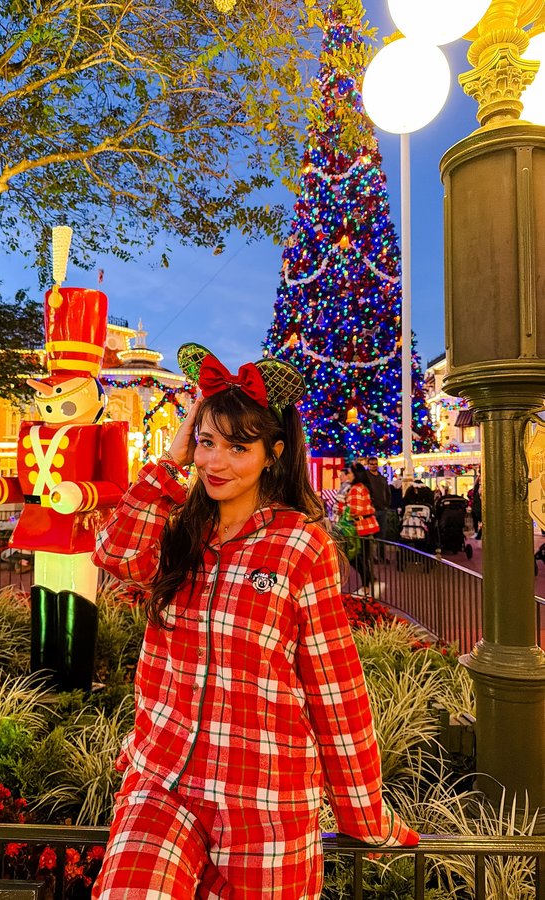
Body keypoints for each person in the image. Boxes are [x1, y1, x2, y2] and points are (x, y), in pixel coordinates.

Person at [92, 344, 417, 899]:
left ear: (274, 453)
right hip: (163, 782)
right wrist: (171, 461)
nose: (215, 463)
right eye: (206, 442)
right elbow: (116, 555)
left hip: (266, 797)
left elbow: (334, 689)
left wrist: (365, 817)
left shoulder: (299, 544)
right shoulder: (178, 531)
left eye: (238, 447)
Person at [336, 462, 380, 595]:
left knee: (356, 557)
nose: (347, 476)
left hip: (359, 528)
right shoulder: (363, 487)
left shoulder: (355, 489)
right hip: (369, 526)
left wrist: (341, 507)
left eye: (348, 473)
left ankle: (367, 583)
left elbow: (354, 510)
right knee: (363, 557)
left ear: (355, 474)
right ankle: (370, 580)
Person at [365, 457, 390, 540]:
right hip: (371, 510)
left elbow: (387, 492)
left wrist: (386, 505)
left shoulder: (382, 478)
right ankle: (369, 553)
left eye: (375, 464)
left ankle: (381, 553)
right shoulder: (365, 478)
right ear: (368, 465)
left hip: (382, 509)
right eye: (372, 464)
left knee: (382, 535)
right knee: (369, 535)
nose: (374, 466)